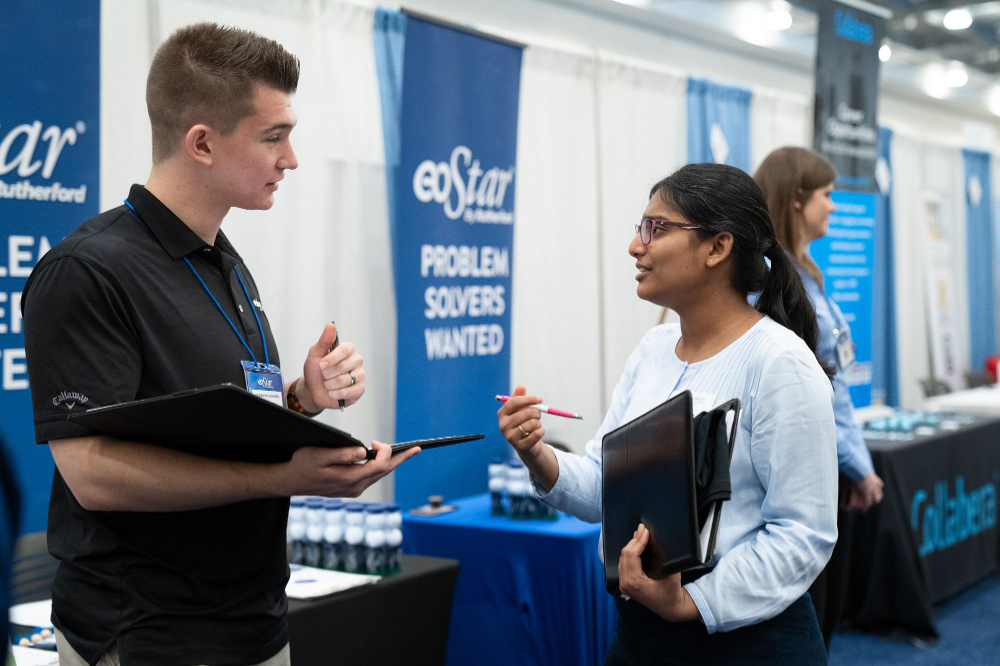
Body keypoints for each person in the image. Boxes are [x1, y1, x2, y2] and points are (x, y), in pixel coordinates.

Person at [21, 23, 418, 666]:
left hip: (254, 622)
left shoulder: (224, 262)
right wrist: (282, 477)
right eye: (274, 137)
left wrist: (297, 401)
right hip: (149, 636)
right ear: (202, 143)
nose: (290, 159)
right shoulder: (87, 272)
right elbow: (91, 473)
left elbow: (217, 422)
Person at [498, 163, 837, 665]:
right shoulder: (654, 350)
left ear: (717, 248)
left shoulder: (778, 363)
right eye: (642, 227)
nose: (636, 246)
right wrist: (536, 453)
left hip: (745, 645)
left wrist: (692, 602)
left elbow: (802, 535)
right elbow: (605, 488)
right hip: (642, 635)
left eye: (656, 228)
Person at [754, 146, 884, 647]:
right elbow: (816, 391)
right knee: (805, 619)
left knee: (819, 615)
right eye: (827, 195)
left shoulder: (804, 273)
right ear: (796, 200)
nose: (834, 206)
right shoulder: (773, 279)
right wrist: (858, 466)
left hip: (821, 461)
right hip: (796, 467)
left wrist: (851, 464)